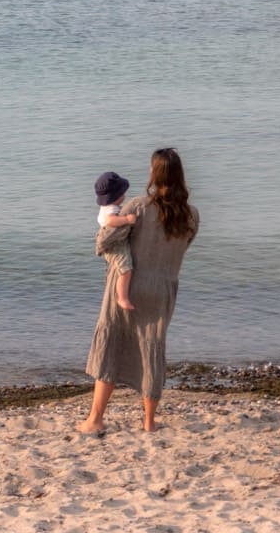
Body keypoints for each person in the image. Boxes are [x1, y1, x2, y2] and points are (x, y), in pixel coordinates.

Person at [79, 147, 199, 434]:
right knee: (151, 349)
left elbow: (104, 242)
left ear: (154, 175)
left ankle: (95, 420)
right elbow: (183, 247)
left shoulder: (138, 207)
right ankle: (149, 422)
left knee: (112, 346)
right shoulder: (191, 216)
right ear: (180, 176)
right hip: (162, 290)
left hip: (127, 286)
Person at [94, 171, 137, 311]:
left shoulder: (106, 206)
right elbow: (110, 220)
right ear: (115, 196)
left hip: (112, 242)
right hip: (114, 245)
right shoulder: (111, 208)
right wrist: (126, 220)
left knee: (122, 268)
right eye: (122, 193)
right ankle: (122, 298)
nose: (124, 195)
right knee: (126, 269)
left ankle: (121, 296)